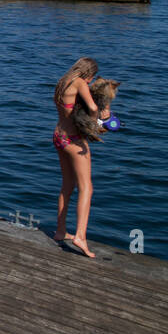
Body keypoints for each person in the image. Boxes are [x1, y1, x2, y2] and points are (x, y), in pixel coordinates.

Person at [52, 57, 106, 259]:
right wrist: (96, 124)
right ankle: (80, 236)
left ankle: (60, 230)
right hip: (74, 141)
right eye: (91, 79)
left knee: (67, 185)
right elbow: (92, 108)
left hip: (59, 137)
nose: (90, 83)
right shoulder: (79, 82)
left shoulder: (63, 81)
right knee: (87, 188)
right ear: (88, 74)